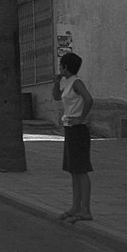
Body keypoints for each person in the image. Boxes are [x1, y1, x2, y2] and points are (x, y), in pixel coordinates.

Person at [52, 52, 94, 224]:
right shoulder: (67, 83)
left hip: (78, 129)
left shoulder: (76, 82)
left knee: (81, 170)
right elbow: (56, 96)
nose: (60, 68)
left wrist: (81, 118)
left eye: (61, 65)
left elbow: (88, 99)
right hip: (70, 129)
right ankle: (75, 206)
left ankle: (86, 209)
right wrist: (56, 81)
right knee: (73, 171)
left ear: (66, 67)